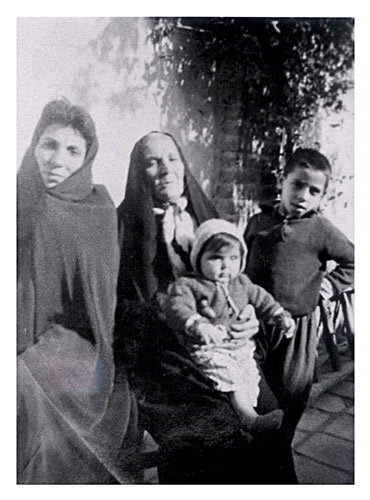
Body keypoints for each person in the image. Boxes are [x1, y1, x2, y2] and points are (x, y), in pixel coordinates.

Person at [114, 131, 285, 484]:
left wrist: (248, 317)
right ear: (138, 171)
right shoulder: (123, 225)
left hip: (225, 347)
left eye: (173, 158)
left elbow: (239, 282)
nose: (166, 169)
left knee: (268, 420)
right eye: (152, 161)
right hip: (164, 360)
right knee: (211, 440)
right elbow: (123, 310)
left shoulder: (206, 215)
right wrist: (179, 321)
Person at [17, 98, 140, 484]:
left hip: (80, 346)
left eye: (73, 150)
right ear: (34, 146)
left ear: (87, 157)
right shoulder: (19, 202)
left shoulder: (99, 208)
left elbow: (101, 304)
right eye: (48, 145)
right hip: (22, 330)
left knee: (22, 390)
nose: (57, 160)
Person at [244, 148, 354, 452]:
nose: (303, 195)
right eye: (297, 185)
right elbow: (240, 266)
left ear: (322, 198)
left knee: (291, 395)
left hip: (297, 330)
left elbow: (355, 262)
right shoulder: (258, 222)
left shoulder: (322, 230)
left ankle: (280, 452)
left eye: (313, 190)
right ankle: (257, 450)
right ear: (283, 182)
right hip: (255, 324)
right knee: (250, 390)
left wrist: (329, 286)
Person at [166, 218, 295, 437]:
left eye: (233, 258)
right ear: (198, 259)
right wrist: (198, 325)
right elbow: (178, 307)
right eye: (216, 258)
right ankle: (249, 419)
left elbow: (262, 299)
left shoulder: (241, 282)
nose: (226, 265)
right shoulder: (189, 284)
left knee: (247, 374)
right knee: (230, 376)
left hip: (239, 347)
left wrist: (279, 314)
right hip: (211, 348)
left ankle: (249, 414)